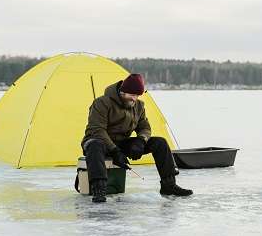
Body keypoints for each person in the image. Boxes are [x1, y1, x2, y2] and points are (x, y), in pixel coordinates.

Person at [81, 73, 193, 203]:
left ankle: (169, 185)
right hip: (98, 142)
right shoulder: (102, 103)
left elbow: (145, 127)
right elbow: (97, 130)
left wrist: (140, 141)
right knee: (95, 145)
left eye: (137, 95)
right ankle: (99, 190)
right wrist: (114, 151)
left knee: (159, 143)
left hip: (121, 143)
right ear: (123, 92)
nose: (135, 99)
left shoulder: (139, 106)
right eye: (132, 95)